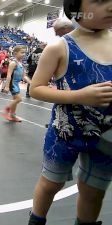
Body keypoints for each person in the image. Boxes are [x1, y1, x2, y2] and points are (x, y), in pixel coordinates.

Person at [28, 0, 112, 224]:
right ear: (75, 7)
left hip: (106, 137)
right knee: (50, 184)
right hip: (64, 134)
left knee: (94, 192)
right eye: (100, 1)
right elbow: (35, 88)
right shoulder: (60, 47)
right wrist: (79, 96)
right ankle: (36, 220)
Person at [2, 45, 31, 122]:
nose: (23, 54)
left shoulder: (21, 64)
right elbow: (8, 75)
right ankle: (6, 110)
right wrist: (7, 86)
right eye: (21, 52)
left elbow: (24, 76)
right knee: (19, 99)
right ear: (15, 53)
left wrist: (31, 83)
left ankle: (12, 116)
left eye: (24, 53)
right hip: (12, 84)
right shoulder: (13, 63)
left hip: (16, 84)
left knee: (15, 100)